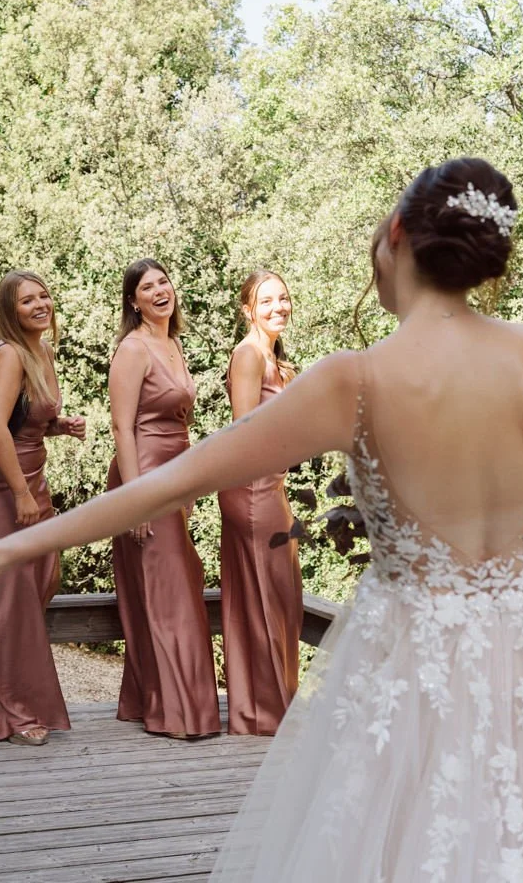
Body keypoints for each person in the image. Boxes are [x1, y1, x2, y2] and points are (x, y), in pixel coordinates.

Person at [0, 159, 523, 880]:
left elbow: (169, 484)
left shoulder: (358, 378)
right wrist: (517, 560)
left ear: (395, 236)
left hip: (417, 657)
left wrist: (14, 545)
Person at [0, 270, 85, 746]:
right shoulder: (9, 353)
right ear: (10, 311)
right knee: (12, 596)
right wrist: (19, 493)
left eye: (44, 295)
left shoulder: (42, 352)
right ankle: (13, 712)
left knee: (40, 581)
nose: (39, 304)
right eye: (27, 300)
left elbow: (20, 419)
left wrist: (57, 427)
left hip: (31, 478)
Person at [105, 258, 221, 740]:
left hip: (175, 476)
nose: (159, 291)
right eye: (147, 287)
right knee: (168, 590)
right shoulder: (132, 350)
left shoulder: (172, 343)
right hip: (143, 478)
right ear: (134, 302)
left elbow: (181, 425)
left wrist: (188, 486)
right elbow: (121, 426)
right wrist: (137, 499)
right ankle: (179, 712)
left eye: (164, 282)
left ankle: (149, 699)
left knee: (174, 584)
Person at [218, 270, 303, 736]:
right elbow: (244, 431)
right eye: (267, 300)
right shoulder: (248, 355)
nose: (278, 307)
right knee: (265, 596)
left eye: (284, 298)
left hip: (273, 487)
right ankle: (263, 713)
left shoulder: (274, 357)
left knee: (280, 596)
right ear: (248, 309)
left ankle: (268, 707)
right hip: (252, 490)